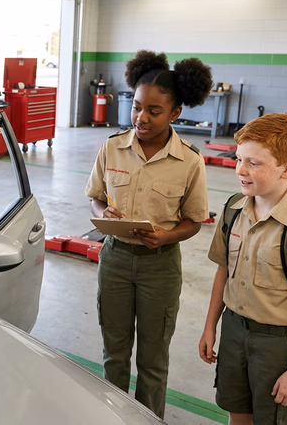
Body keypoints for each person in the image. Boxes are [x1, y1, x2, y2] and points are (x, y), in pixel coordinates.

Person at [84, 50, 212, 419]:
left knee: (153, 360)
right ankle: (113, 416)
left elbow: (193, 220)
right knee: (115, 353)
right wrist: (102, 213)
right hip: (115, 261)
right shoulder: (112, 147)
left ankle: (147, 419)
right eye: (137, 107)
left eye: (154, 111)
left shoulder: (189, 161)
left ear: (175, 113)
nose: (141, 117)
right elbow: (95, 198)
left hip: (160, 267)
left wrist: (166, 237)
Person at [198, 113, 287, 425]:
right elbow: (223, 271)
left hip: (280, 345)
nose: (240, 170)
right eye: (238, 159)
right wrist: (211, 326)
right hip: (234, 331)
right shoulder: (234, 209)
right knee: (237, 414)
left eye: (254, 163)